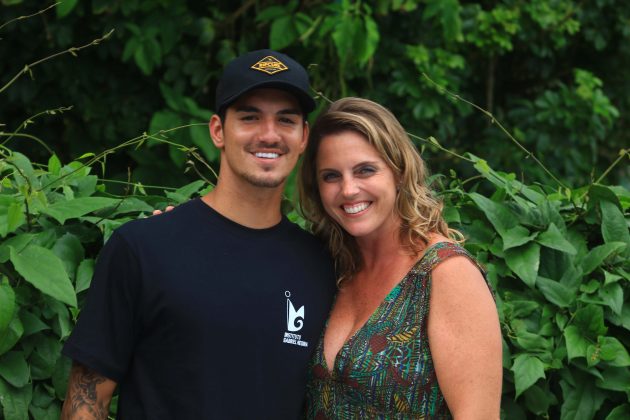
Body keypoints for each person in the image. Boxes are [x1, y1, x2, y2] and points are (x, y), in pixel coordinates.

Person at [61, 49, 336, 419]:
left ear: (303, 137)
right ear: (218, 131)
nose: (269, 134)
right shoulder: (143, 248)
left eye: (285, 120)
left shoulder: (321, 265)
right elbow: (86, 404)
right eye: (250, 117)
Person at [298, 97, 502, 418]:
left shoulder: (445, 273)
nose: (348, 190)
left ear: (399, 172)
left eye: (365, 170)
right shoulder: (334, 268)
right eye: (331, 176)